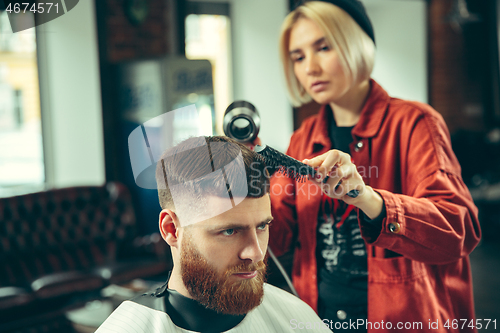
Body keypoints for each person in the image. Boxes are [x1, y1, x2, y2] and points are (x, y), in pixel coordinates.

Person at [268, 1, 481, 332]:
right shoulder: (302, 139)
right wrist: (246, 190)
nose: (310, 67)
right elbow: (276, 240)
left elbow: (458, 230)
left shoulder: (415, 124)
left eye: (323, 47)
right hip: (316, 322)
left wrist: (368, 199)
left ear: (357, 44)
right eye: (298, 57)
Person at [95, 136, 331, 333]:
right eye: (229, 231)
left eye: (261, 227)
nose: (256, 252)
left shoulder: (297, 318)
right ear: (171, 229)